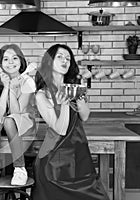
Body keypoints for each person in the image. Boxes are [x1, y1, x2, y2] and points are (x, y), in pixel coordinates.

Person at [31, 44, 109, 200]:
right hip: (54, 160)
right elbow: (60, 130)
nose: (65, 60)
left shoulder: (74, 87)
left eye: (68, 58)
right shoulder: (42, 94)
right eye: (59, 57)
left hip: (79, 154)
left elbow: (85, 116)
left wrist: (79, 99)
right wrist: (65, 104)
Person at [0, 44, 36, 186]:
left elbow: (17, 112)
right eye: (6, 59)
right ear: (0, 63)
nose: (10, 62)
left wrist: (13, 88)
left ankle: (20, 169)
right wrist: (6, 86)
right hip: (4, 122)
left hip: (24, 121)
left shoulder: (28, 82)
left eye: (14, 58)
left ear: (21, 61)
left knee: (9, 120)